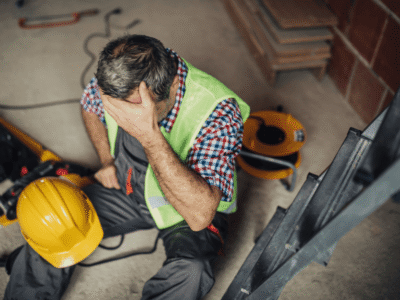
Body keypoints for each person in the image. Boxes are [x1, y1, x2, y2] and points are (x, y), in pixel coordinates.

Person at [3, 34, 250, 300]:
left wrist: (150, 136)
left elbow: (199, 217)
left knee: (193, 270)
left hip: (185, 213)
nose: (125, 118)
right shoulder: (118, 78)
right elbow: (90, 105)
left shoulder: (219, 111)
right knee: (52, 223)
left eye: (136, 112)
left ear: (174, 85)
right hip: (127, 187)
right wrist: (106, 160)